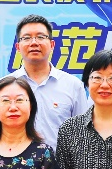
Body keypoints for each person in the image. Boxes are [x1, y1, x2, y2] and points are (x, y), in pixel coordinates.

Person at [10, 14, 87, 151]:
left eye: (40, 37)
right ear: (18, 47)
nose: (34, 43)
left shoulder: (73, 85)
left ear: (52, 45)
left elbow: (83, 133)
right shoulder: (5, 86)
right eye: (27, 38)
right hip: (15, 163)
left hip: (60, 163)